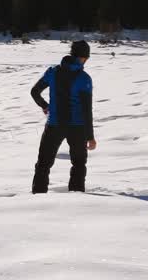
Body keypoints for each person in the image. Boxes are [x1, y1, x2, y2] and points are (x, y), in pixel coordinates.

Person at [29, 40, 97, 193]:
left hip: (54, 125)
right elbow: (87, 110)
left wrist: (45, 106)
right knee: (79, 164)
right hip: (77, 127)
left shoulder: (52, 72)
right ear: (82, 57)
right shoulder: (84, 78)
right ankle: (76, 196)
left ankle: (37, 198)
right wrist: (90, 136)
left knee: (43, 164)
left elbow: (34, 92)